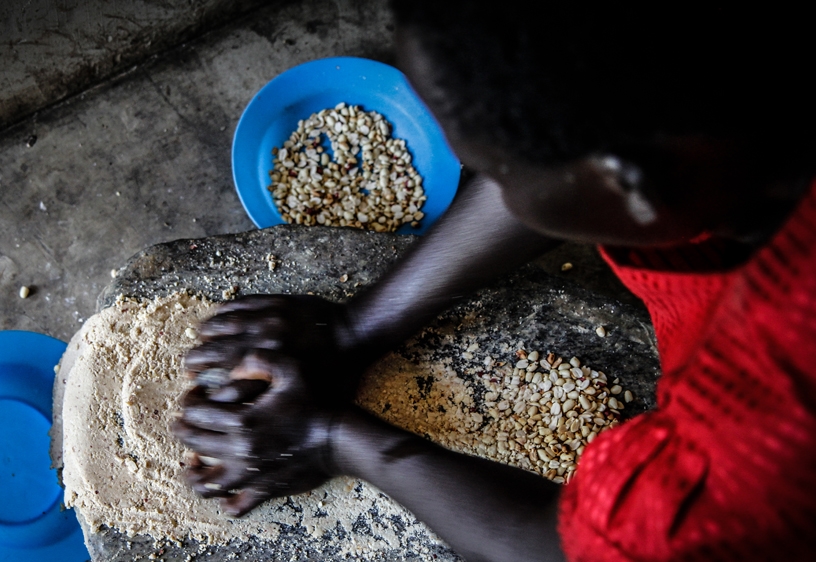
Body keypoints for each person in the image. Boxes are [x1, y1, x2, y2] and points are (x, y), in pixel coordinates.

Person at [172, 3, 816, 561]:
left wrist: (334, 438)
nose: (490, 186)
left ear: (631, 186)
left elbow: (561, 550)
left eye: (494, 171)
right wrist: (355, 328)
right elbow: (566, 137)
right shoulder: (701, 116)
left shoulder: (766, 418)